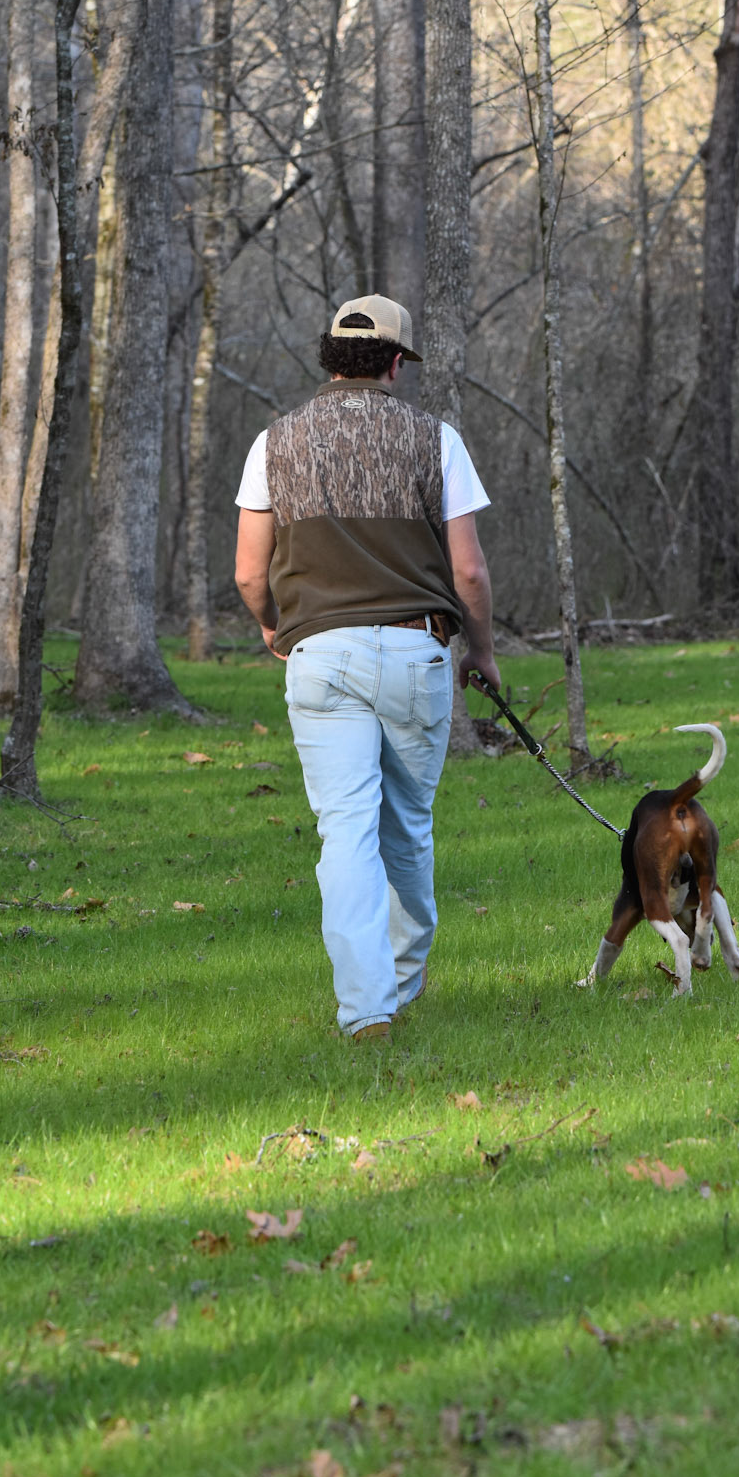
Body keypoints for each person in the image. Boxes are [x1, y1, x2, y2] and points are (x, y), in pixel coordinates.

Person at [234, 294, 501, 1041]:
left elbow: (248, 571)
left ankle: (365, 1010)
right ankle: (402, 986)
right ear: (396, 363)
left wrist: (272, 625)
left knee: (345, 833)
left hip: (320, 652)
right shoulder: (436, 439)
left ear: (331, 357)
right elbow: (469, 572)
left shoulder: (273, 443)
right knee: (406, 830)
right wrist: (480, 651)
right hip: (416, 649)